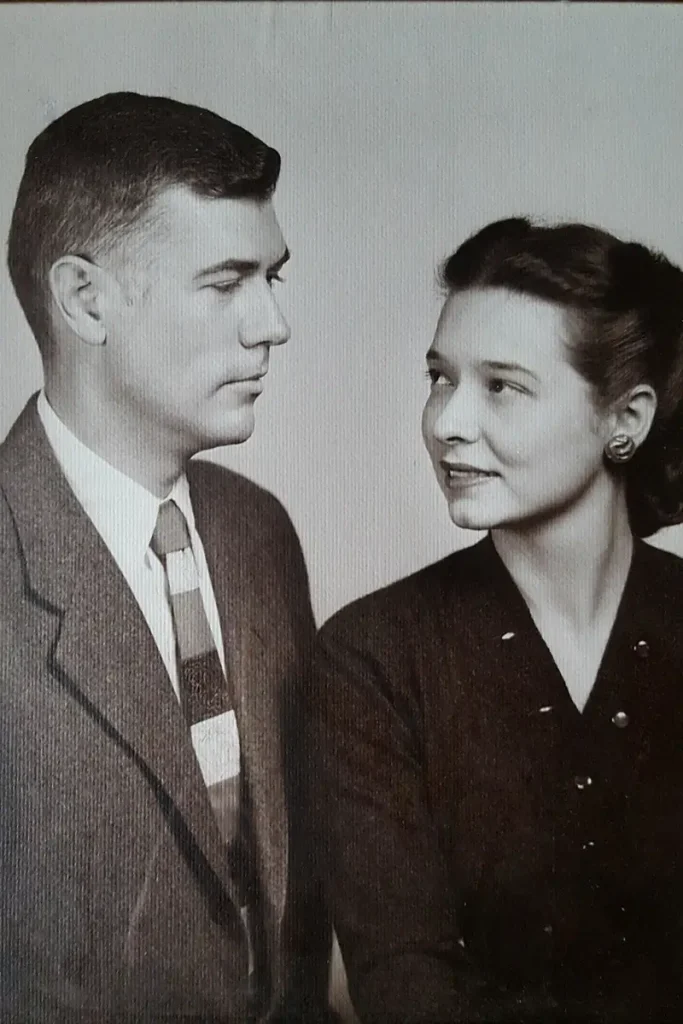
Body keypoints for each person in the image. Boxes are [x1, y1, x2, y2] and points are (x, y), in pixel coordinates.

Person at [0, 92, 334, 1023]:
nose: (273, 325)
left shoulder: (259, 531)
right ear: (84, 299)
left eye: (273, 278)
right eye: (227, 283)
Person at [309, 217, 683, 1022]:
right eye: (439, 377)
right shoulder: (372, 657)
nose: (445, 421)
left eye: (501, 385)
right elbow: (402, 986)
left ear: (626, 419)